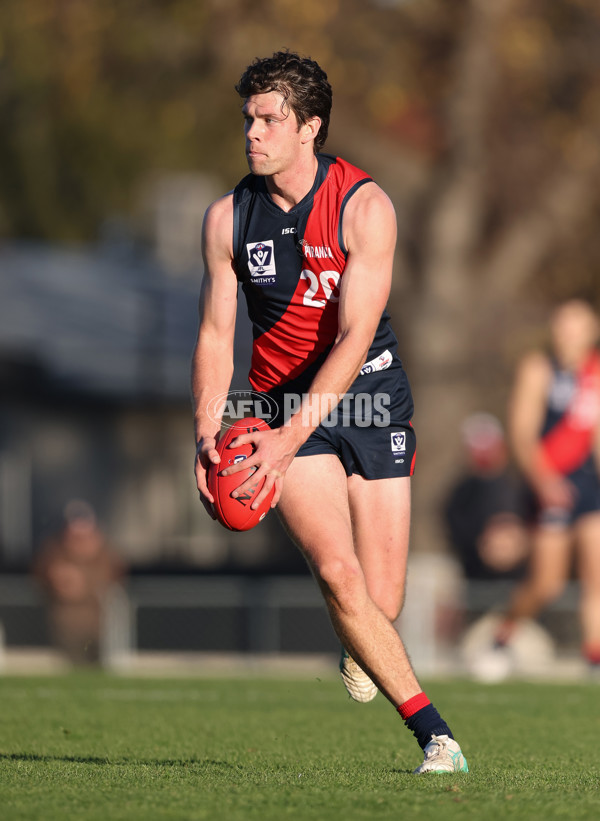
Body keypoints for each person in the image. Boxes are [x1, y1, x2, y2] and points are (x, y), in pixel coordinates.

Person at [192, 51, 468, 773]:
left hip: (369, 394)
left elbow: (352, 339)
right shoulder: (227, 218)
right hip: (280, 403)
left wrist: (291, 438)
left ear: (310, 126)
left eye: (269, 119)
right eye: (248, 117)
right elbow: (218, 335)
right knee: (340, 574)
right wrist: (206, 426)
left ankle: (362, 640)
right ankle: (437, 736)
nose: (251, 132)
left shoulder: (364, 206)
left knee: (384, 596)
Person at [493, 299, 600, 672]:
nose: (568, 335)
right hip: (549, 480)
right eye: (562, 326)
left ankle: (593, 657)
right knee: (548, 583)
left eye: (577, 327)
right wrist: (546, 482)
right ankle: (501, 636)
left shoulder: (595, 373)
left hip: (588, 484)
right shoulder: (538, 368)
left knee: (596, 574)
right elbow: (523, 435)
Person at [33, 499, 126, 665]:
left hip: (97, 622)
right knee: (73, 665)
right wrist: (57, 578)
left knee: (98, 665)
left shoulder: (105, 552)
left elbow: (113, 578)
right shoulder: (54, 550)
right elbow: (40, 575)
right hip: (66, 622)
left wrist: (84, 583)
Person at [444, 413, 530, 582]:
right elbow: (455, 532)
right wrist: (482, 543)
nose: (483, 457)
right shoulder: (461, 493)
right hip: (476, 579)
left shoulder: (522, 485)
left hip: (521, 581)